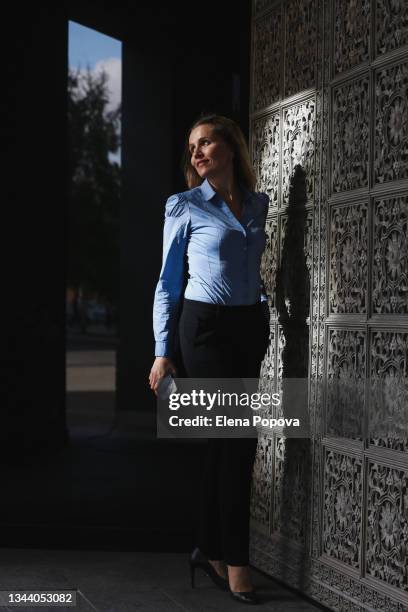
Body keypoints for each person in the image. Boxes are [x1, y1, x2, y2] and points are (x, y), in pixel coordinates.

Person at [149, 114, 270, 605]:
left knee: (225, 445)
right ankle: (236, 562)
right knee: (237, 439)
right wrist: (162, 352)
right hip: (204, 329)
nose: (197, 152)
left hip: (249, 327)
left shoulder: (259, 202)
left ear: (229, 147)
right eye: (192, 146)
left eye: (206, 142)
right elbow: (166, 283)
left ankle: (208, 547)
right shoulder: (183, 205)